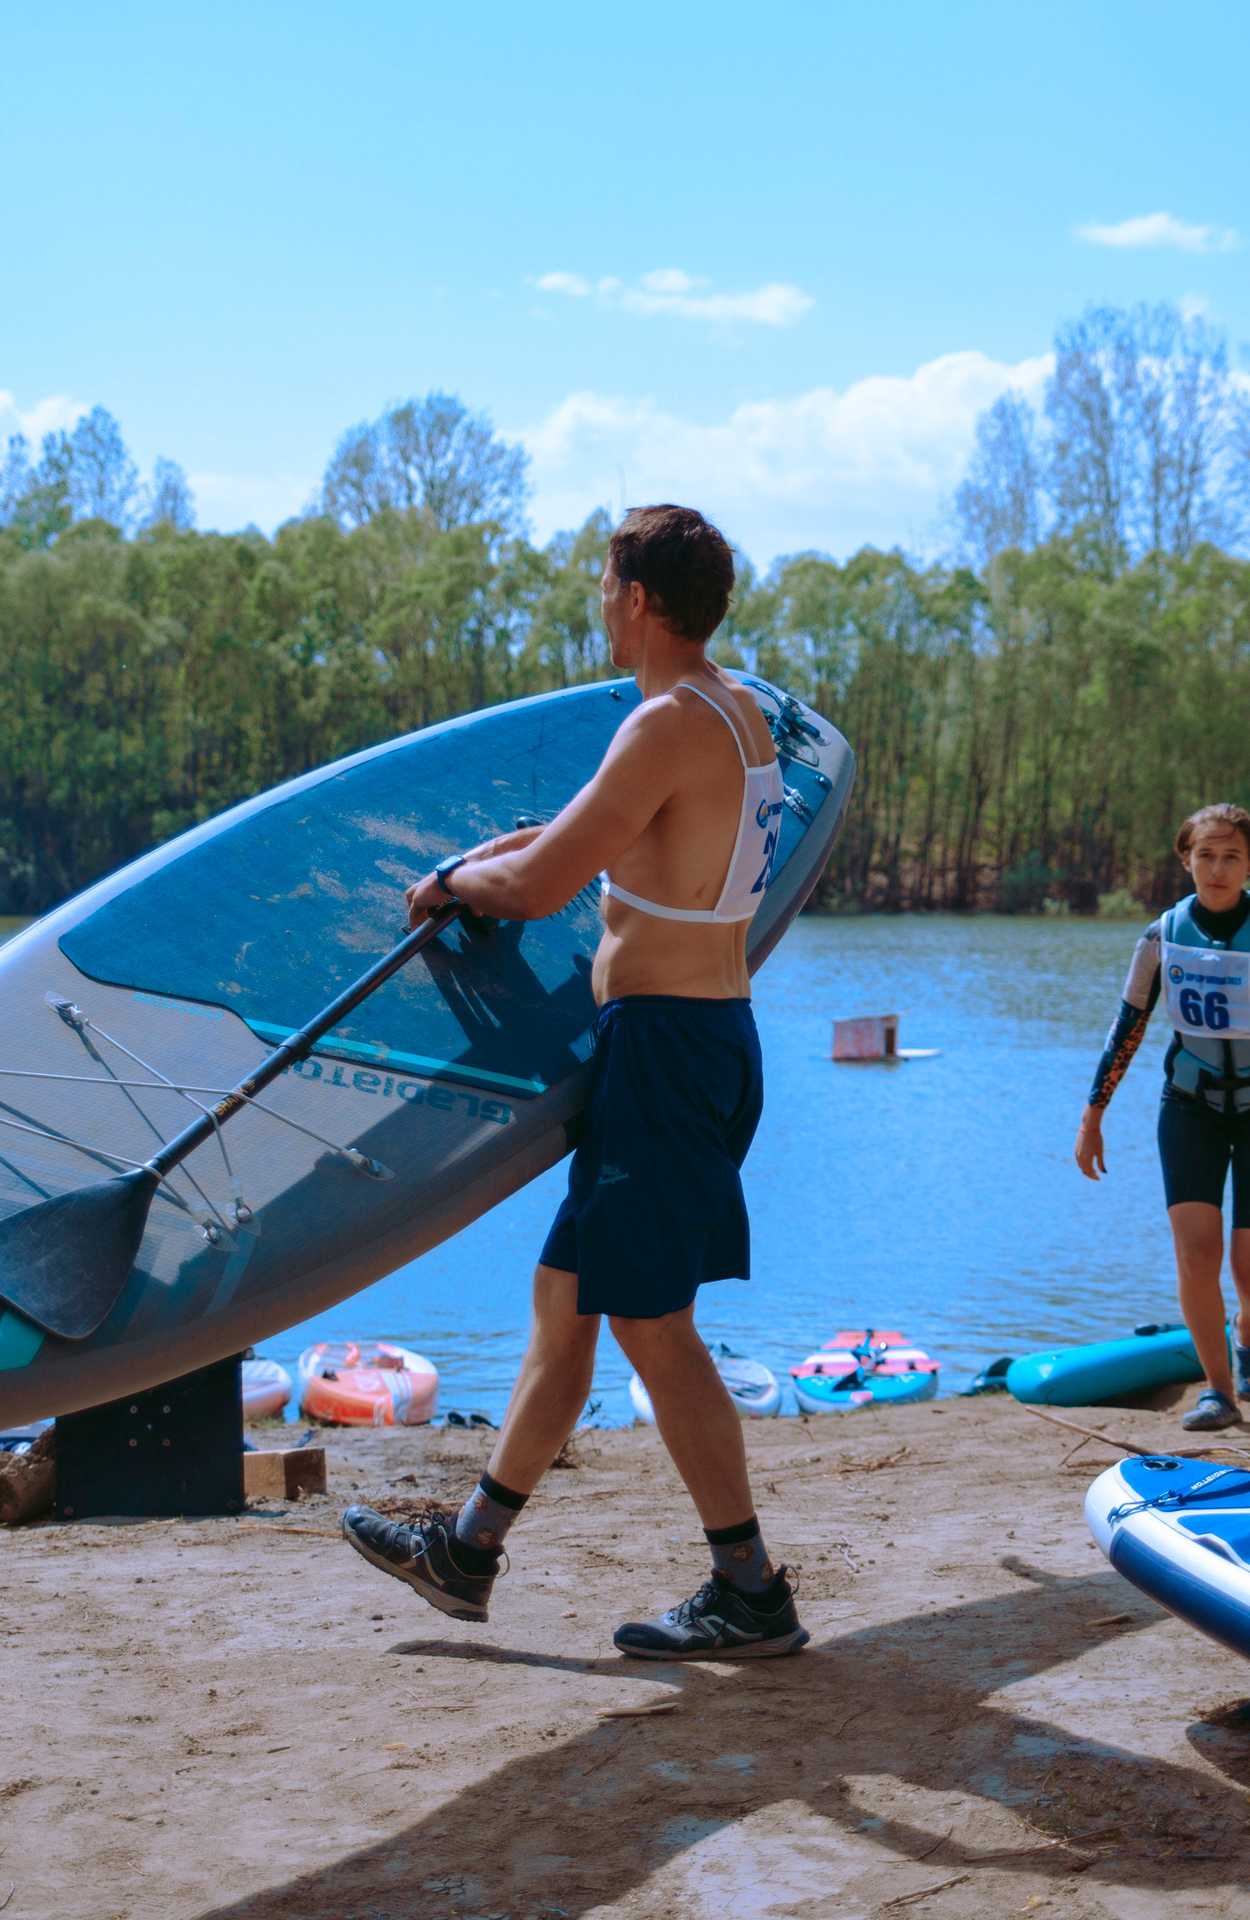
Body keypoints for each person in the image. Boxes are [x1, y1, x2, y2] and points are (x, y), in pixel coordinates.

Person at [341, 504, 808, 1661]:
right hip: (691, 1042)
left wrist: (457, 882)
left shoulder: (661, 723)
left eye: (605, 586)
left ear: (639, 599)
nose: (598, 604)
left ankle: (750, 1590)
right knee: (567, 1308)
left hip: (665, 1049)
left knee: (655, 1327)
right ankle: (467, 1553)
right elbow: (588, 828)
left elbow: (550, 882)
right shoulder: (727, 710)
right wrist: (481, 861)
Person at [1073, 803, 1250, 1433]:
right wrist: (1092, 1115)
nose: (1217, 869)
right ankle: (1219, 1391)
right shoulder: (1162, 934)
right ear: (1186, 860)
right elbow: (1128, 1025)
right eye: (1206, 855)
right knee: (1195, 1256)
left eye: (1231, 857)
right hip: (1189, 1108)